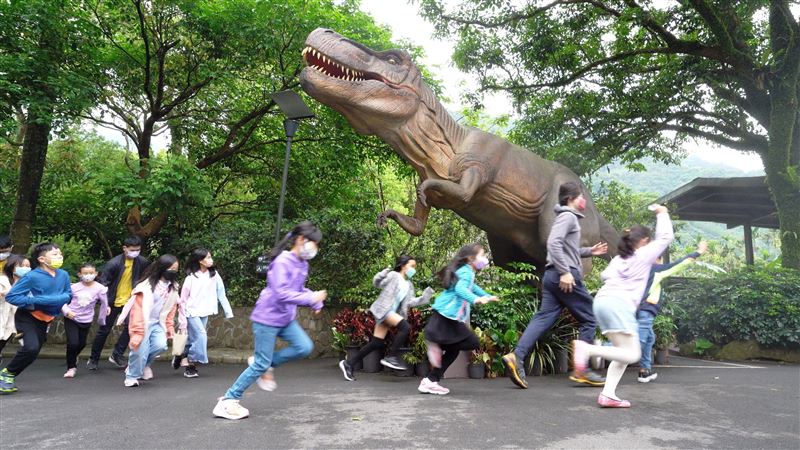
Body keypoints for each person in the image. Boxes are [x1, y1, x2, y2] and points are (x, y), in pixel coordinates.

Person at [213, 221, 326, 420]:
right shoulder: (282, 262)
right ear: (301, 240)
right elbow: (281, 293)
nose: (315, 249)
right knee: (260, 365)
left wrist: (315, 302)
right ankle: (229, 400)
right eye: (314, 243)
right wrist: (311, 299)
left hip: (285, 318)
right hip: (267, 318)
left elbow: (298, 290)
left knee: (304, 347)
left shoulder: (302, 264)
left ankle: (265, 364)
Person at [503, 181, 608, 389]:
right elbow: (553, 244)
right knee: (589, 319)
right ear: (571, 199)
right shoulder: (568, 216)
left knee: (543, 318)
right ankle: (582, 369)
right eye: (581, 196)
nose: (584, 200)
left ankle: (517, 356)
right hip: (565, 278)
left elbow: (566, 248)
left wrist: (588, 251)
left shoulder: (566, 217)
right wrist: (566, 272)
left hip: (553, 276)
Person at [572, 204, 674, 408]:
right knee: (632, 354)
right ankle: (589, 349)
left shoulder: (620, 259)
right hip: (619, 304)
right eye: (649, 242)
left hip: (602, 301)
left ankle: (608, 394)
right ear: (644, 242)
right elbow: (666, 238)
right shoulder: (642, 254)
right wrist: (662, 213)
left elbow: (604, 275)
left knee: (622, 353)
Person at [418, 243, 498, 395]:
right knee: (472, 342)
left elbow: (472, 288)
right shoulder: (466, 272)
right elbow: (462, 290)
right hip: (447, 314)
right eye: (482, 255)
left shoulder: (467, 272)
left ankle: (430, 381)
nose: (485, 259)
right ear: (470, 259)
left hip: (447, 315)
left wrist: (487, 296)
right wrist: (476, 300)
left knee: (454, 349)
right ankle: (436, 348)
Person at [339, 255, 434, 381]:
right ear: (403, 265)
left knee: (376, 343)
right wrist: (382, 273)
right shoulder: (394, 276)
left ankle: (348, 364)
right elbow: (377, 283)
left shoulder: (409, 284)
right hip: (384, 310)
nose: (414, 269)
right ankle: (391, 356)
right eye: (412, 266)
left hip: (390, 313)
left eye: (415, 267)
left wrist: (424, 298)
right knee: (405, 327)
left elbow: (410, 302)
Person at [0, 243, 71, 394]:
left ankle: (9, 375)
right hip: (27, 317)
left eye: (60, 254)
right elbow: (12, 297)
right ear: (42, 259)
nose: (59, 257)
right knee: (30, 347)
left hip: (46, 319)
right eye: (54, 254)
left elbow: (68, 294)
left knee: (33, 352)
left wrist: (59, 299)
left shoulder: (63, 275)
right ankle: (7, 374)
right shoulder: (32, 276)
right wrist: (41, 301)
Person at [637, 241, 707, 383]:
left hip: (639, 309)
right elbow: (680, 263)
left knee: (649, 338)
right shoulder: (656, 269)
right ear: (658, 259)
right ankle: (598, 350)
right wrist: (698, 252)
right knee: (636, 345)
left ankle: (644, 371)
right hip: (645, 310)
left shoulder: (639, 269)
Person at [117, 254, 181, 387]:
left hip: (158, 323)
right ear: (162, 268)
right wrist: (138, 331)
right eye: (171, 269)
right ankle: (132, 376)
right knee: (139, 350)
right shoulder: (145, 287)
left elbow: (170, 310)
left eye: (176, 270)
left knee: (160, 345)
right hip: (142, 323)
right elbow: (137, 311)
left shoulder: (173, 287)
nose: (173, 272)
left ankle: (143, 365)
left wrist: (169, 327)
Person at [87, 236, 150, 371]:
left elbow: (145, 279)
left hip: (130, 301)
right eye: (133, 250)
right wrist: (105, 303)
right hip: (112, 302)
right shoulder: (113, 264)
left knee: (130, 328)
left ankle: (117, 354)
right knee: (104, 331)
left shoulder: (142, 262)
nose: (135, 252)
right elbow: (103, 284)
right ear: (124, 248)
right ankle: (93, 358)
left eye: (138, 250)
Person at [174, 248, 233, 378]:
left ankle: (181, 355)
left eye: (210, 257)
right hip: (191, 311)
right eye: (207, 257)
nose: (210, 260)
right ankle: (191, 363)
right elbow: (182, 300)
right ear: (200, 261)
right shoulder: (190, 278)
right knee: (201, 335)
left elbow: (221, 294)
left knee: (193, 339)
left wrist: (228, 311)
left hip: (205, 311)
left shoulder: (214, 275)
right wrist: (182, 317)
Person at [61, 263, 109, 378]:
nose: (88, 275)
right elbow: (62, 301)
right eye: (85, 273)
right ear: (79, 274)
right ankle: (71, 367)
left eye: (91, 273)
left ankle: (73, 356)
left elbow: (104, 302)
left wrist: (106, 309)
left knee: (81, 343)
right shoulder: (73, 287)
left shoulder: (100, 288)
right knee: (73, 343)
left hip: (86, 319)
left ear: (96, 274)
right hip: (71, 318)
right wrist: (67, 311)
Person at [0, 255, 30, 363]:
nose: (26, 268)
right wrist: (5, 293)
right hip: (2, 314)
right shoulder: (2, 280)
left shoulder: (26, 283)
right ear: (12, 266)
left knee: (4, 339)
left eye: (28, 266)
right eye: (22, 265)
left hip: (11, 318)